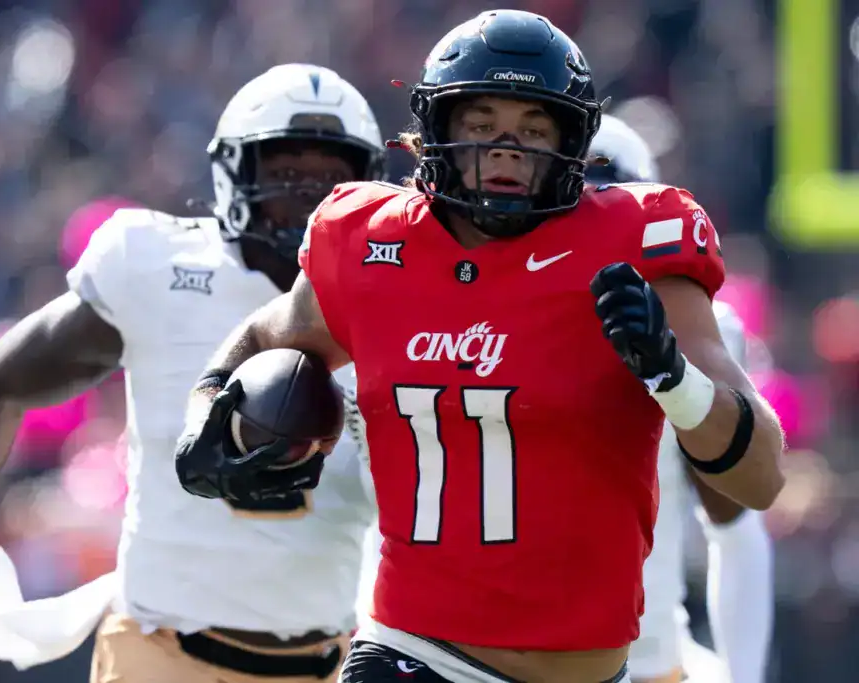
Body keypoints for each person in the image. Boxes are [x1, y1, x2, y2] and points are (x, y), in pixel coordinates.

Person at [175, 11, 786, 683]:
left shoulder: (636, 245)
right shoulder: (373, 244)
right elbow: (266, 336)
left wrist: (672, 376)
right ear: (437, 129)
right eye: (481, 124)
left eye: (533, 128)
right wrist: (206, 412)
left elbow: (760, 479)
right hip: (412, 652)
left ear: (572, 141)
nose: (505, 149)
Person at [0, 63, 386, 683]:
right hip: (160, 655)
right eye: (285, 172)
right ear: (235, 173)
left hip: (326, 663)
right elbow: (2, 382)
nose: (308, 196)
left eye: (330, 178)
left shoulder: (396, 301)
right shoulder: (159, 268)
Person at [587, 114, 774, 683]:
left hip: (646, 664)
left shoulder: (699, 329)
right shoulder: (476, 320)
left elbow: (737, 521)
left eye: (609, 204)